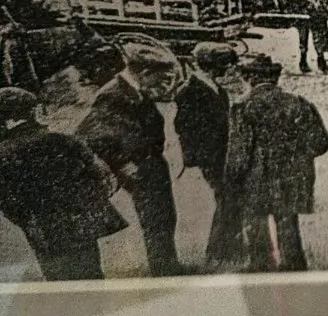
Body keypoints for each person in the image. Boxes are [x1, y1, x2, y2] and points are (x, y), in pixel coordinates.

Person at [76, 40, 183, 277]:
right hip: (138, 166)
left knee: (163, 216)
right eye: (160, 76)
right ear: (144, 72)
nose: (163, 82)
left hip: (149, 161)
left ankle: (167, 265)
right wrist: (125, 165)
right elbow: (92, 135)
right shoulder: (113, 94)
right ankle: (164, 271)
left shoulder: (131, 89)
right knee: (156, 218)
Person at [0, 87, 126, 281]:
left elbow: (7, 201)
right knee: (91, 274)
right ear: (33, 112)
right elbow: (101, 177)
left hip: (41, 229)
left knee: (56, 279)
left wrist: (27, 220)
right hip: (79, 224)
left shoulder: (3, 154)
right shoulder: (63, 140)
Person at [226, 53, 328, 273]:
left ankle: (260, 264)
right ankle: (293, 264)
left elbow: (240, 150)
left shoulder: (242, 107)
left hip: (257, 176)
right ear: (276, 78)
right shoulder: (298, 103)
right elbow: (321, 142)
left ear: (250, 79)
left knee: (255, 220)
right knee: (288, 221)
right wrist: (298, 157)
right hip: (291, 174)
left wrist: (233, 177)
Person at [173, 42, 240, 269]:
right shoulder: (189, 92)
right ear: (213, 66)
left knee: (229, 198)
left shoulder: (217, 90)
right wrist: (198, 156)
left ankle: (226, 248)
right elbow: (185, 128)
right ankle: (218, 252)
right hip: (212, 156)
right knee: (227, 198)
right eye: (226, 65)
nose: (229, 70)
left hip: (223, 153)